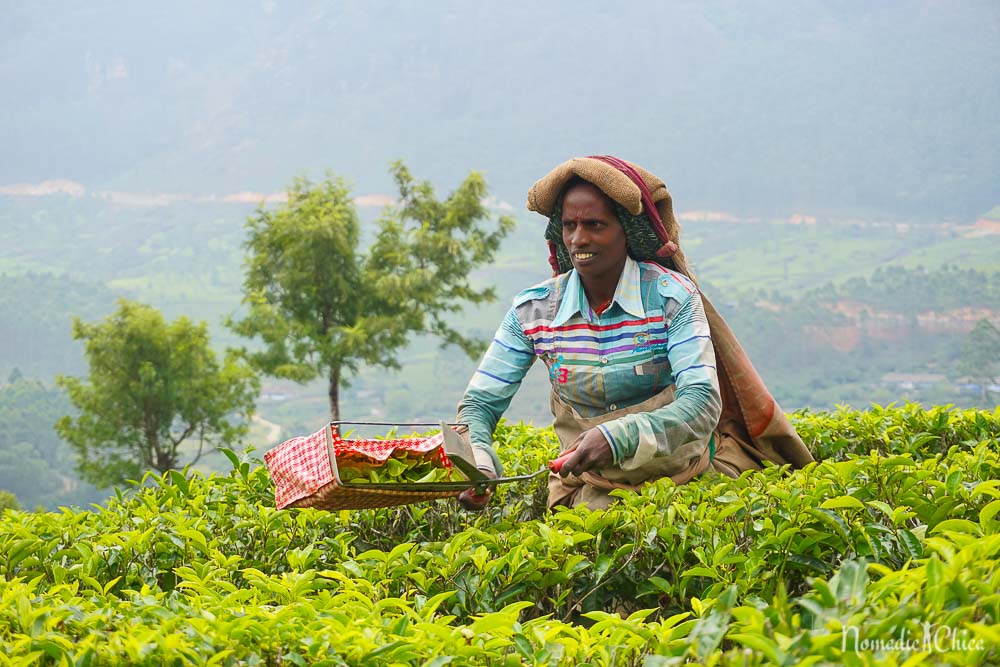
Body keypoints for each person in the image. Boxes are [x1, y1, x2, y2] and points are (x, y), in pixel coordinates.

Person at [456, 156, 813, 511]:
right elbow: (478, 404)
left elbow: (702, 402)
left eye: (595, 224)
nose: (579, 239)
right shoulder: (534, 311)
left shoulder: (671, 297)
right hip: (589, 494)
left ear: (627, 231)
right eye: (569, 225)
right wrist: (479, 462)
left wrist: (616, 438)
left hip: (688, 486)